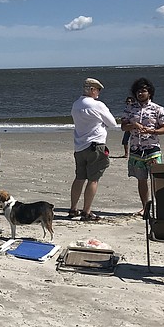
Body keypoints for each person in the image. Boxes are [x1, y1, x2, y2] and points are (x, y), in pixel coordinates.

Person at [69, 78, 120, 221]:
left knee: (79, 177)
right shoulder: (97, 105)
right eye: (97, 89)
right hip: (95, 145)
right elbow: (112, 123)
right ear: (92, 89)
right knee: (93, 179)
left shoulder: (76, 105)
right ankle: (86, 211)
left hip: (79, 145)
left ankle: (73, 208)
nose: (98, 92)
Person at [121, 78, 164, 215]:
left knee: (156, 179)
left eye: (143, 91)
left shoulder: (157, 109)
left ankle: (160, 206)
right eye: (138, 92)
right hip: (136, 148)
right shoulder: (130, 109)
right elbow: (123, 127)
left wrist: (151, 131)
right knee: (141, 180)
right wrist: (134, 125)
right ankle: (145, 207)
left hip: (152, 147)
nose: (140, 94)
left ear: (149, 92)